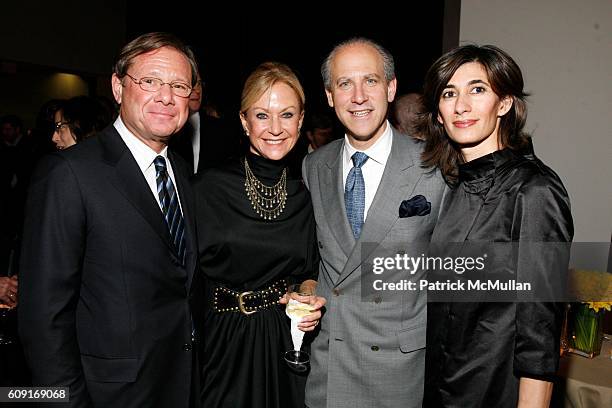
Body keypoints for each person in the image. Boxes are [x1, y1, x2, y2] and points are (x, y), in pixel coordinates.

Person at [19, 32, 201, 408]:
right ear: (118, 87)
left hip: (179, 384)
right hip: (108, 394)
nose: (166, 96)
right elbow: (44, 317)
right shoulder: (69, 173)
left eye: (179, 85)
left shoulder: (181, 171)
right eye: (150, 81)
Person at [419, 44, 573, 407]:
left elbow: (539, 333)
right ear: (439, 114)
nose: (461, 106)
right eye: (449, 93)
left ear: (504, 104)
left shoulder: (534, 191)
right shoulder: (451, 186)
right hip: (439, 390)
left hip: (493, 393)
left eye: (477, 89)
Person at [302, 37, 446, 408]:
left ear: (391, 87)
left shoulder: (434, 167)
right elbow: (313, 257)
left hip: (399, 370)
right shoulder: (315, 165)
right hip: (330, 365)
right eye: (344, 84)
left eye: (370, 80)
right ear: (330, 96)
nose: (358, 96)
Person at [193, 61, 325, 408]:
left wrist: (305, 297)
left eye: (287, 114)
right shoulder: (208, 188)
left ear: (300, 120)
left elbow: (306, 275)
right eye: (262, 115)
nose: (275, 128)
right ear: (243, 121)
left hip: (284, 342)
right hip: (221, 342)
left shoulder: (305, 194)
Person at [171, 73, 240, 174]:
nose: (197, 90)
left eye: (199, 84)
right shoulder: (166, 126)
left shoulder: (221, 129)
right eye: (191, 83)